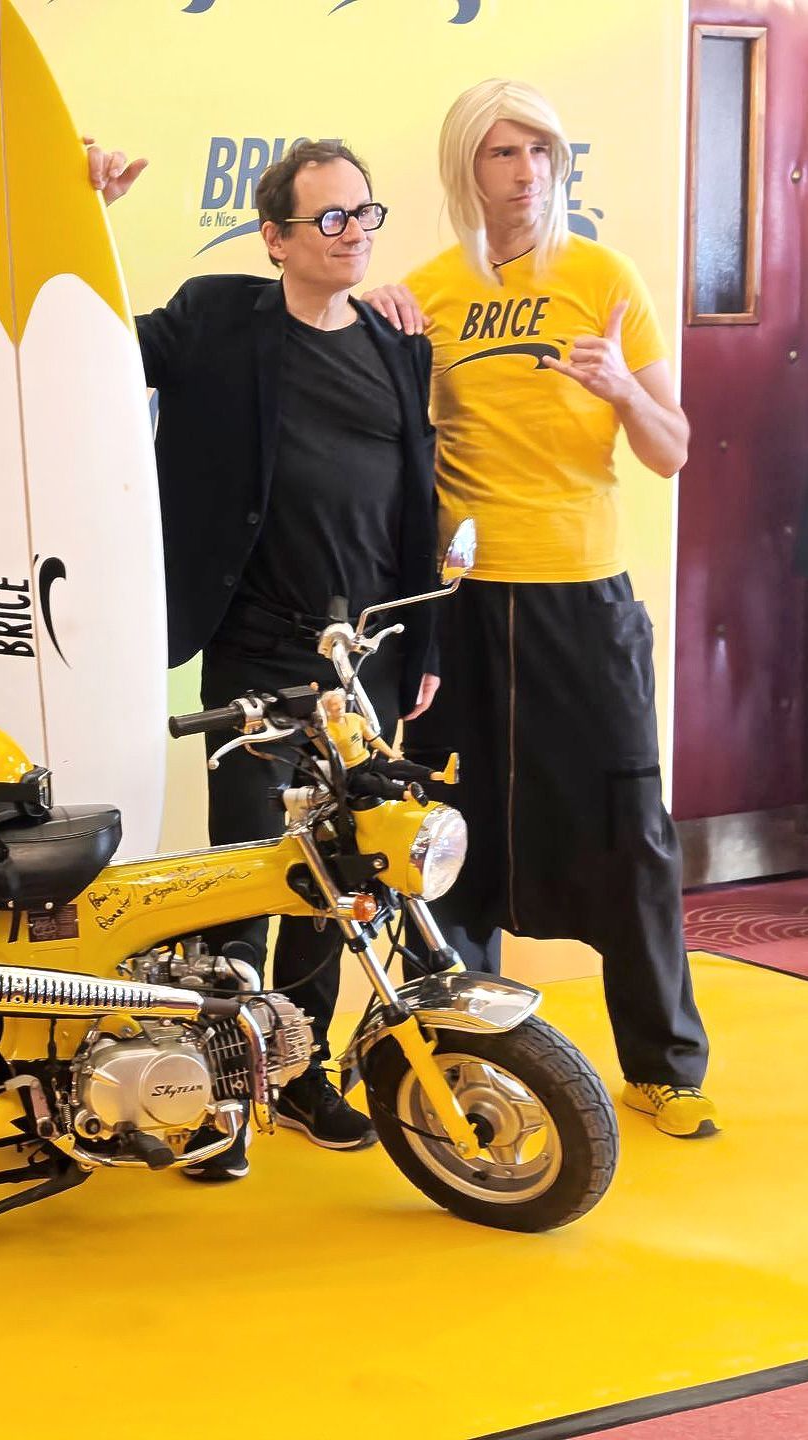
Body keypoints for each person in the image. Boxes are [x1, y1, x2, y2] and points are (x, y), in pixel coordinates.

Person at [365, 79, 717, 1138]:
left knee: (630, 831)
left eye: (540, 151)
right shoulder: (424, 295)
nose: (525, 173)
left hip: (581, 594)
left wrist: (625, 391)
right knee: (446, 829)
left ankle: (663, 1065)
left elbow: (671, 450)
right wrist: (375, 321)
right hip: (462, 602)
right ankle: (463, 1061)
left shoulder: (603, 277)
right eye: (501, 153)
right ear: (465, 168)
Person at [108, 139, 442, 1176]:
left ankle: (300, 1074)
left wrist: (422, 645)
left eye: (364, 213)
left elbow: (416, 500)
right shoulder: (214, 320)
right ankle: (218, 1095)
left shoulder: (397, 342)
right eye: (329, 218)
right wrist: (88, 215)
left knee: (340, 876)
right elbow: (90, 345)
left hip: (362, 656)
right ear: (274, 237)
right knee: (248, 871)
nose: (353, 234)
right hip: (257, 648)